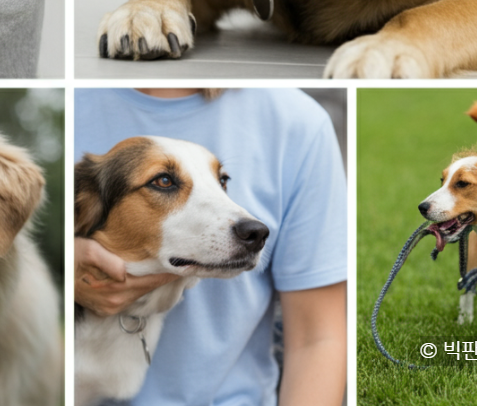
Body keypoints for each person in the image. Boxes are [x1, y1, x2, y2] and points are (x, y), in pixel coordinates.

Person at [74, 88, 347, 406]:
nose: (253, 229)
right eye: (164, 182)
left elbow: (319, 338)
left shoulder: (298, 119)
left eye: (221, 181)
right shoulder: (78, 100)